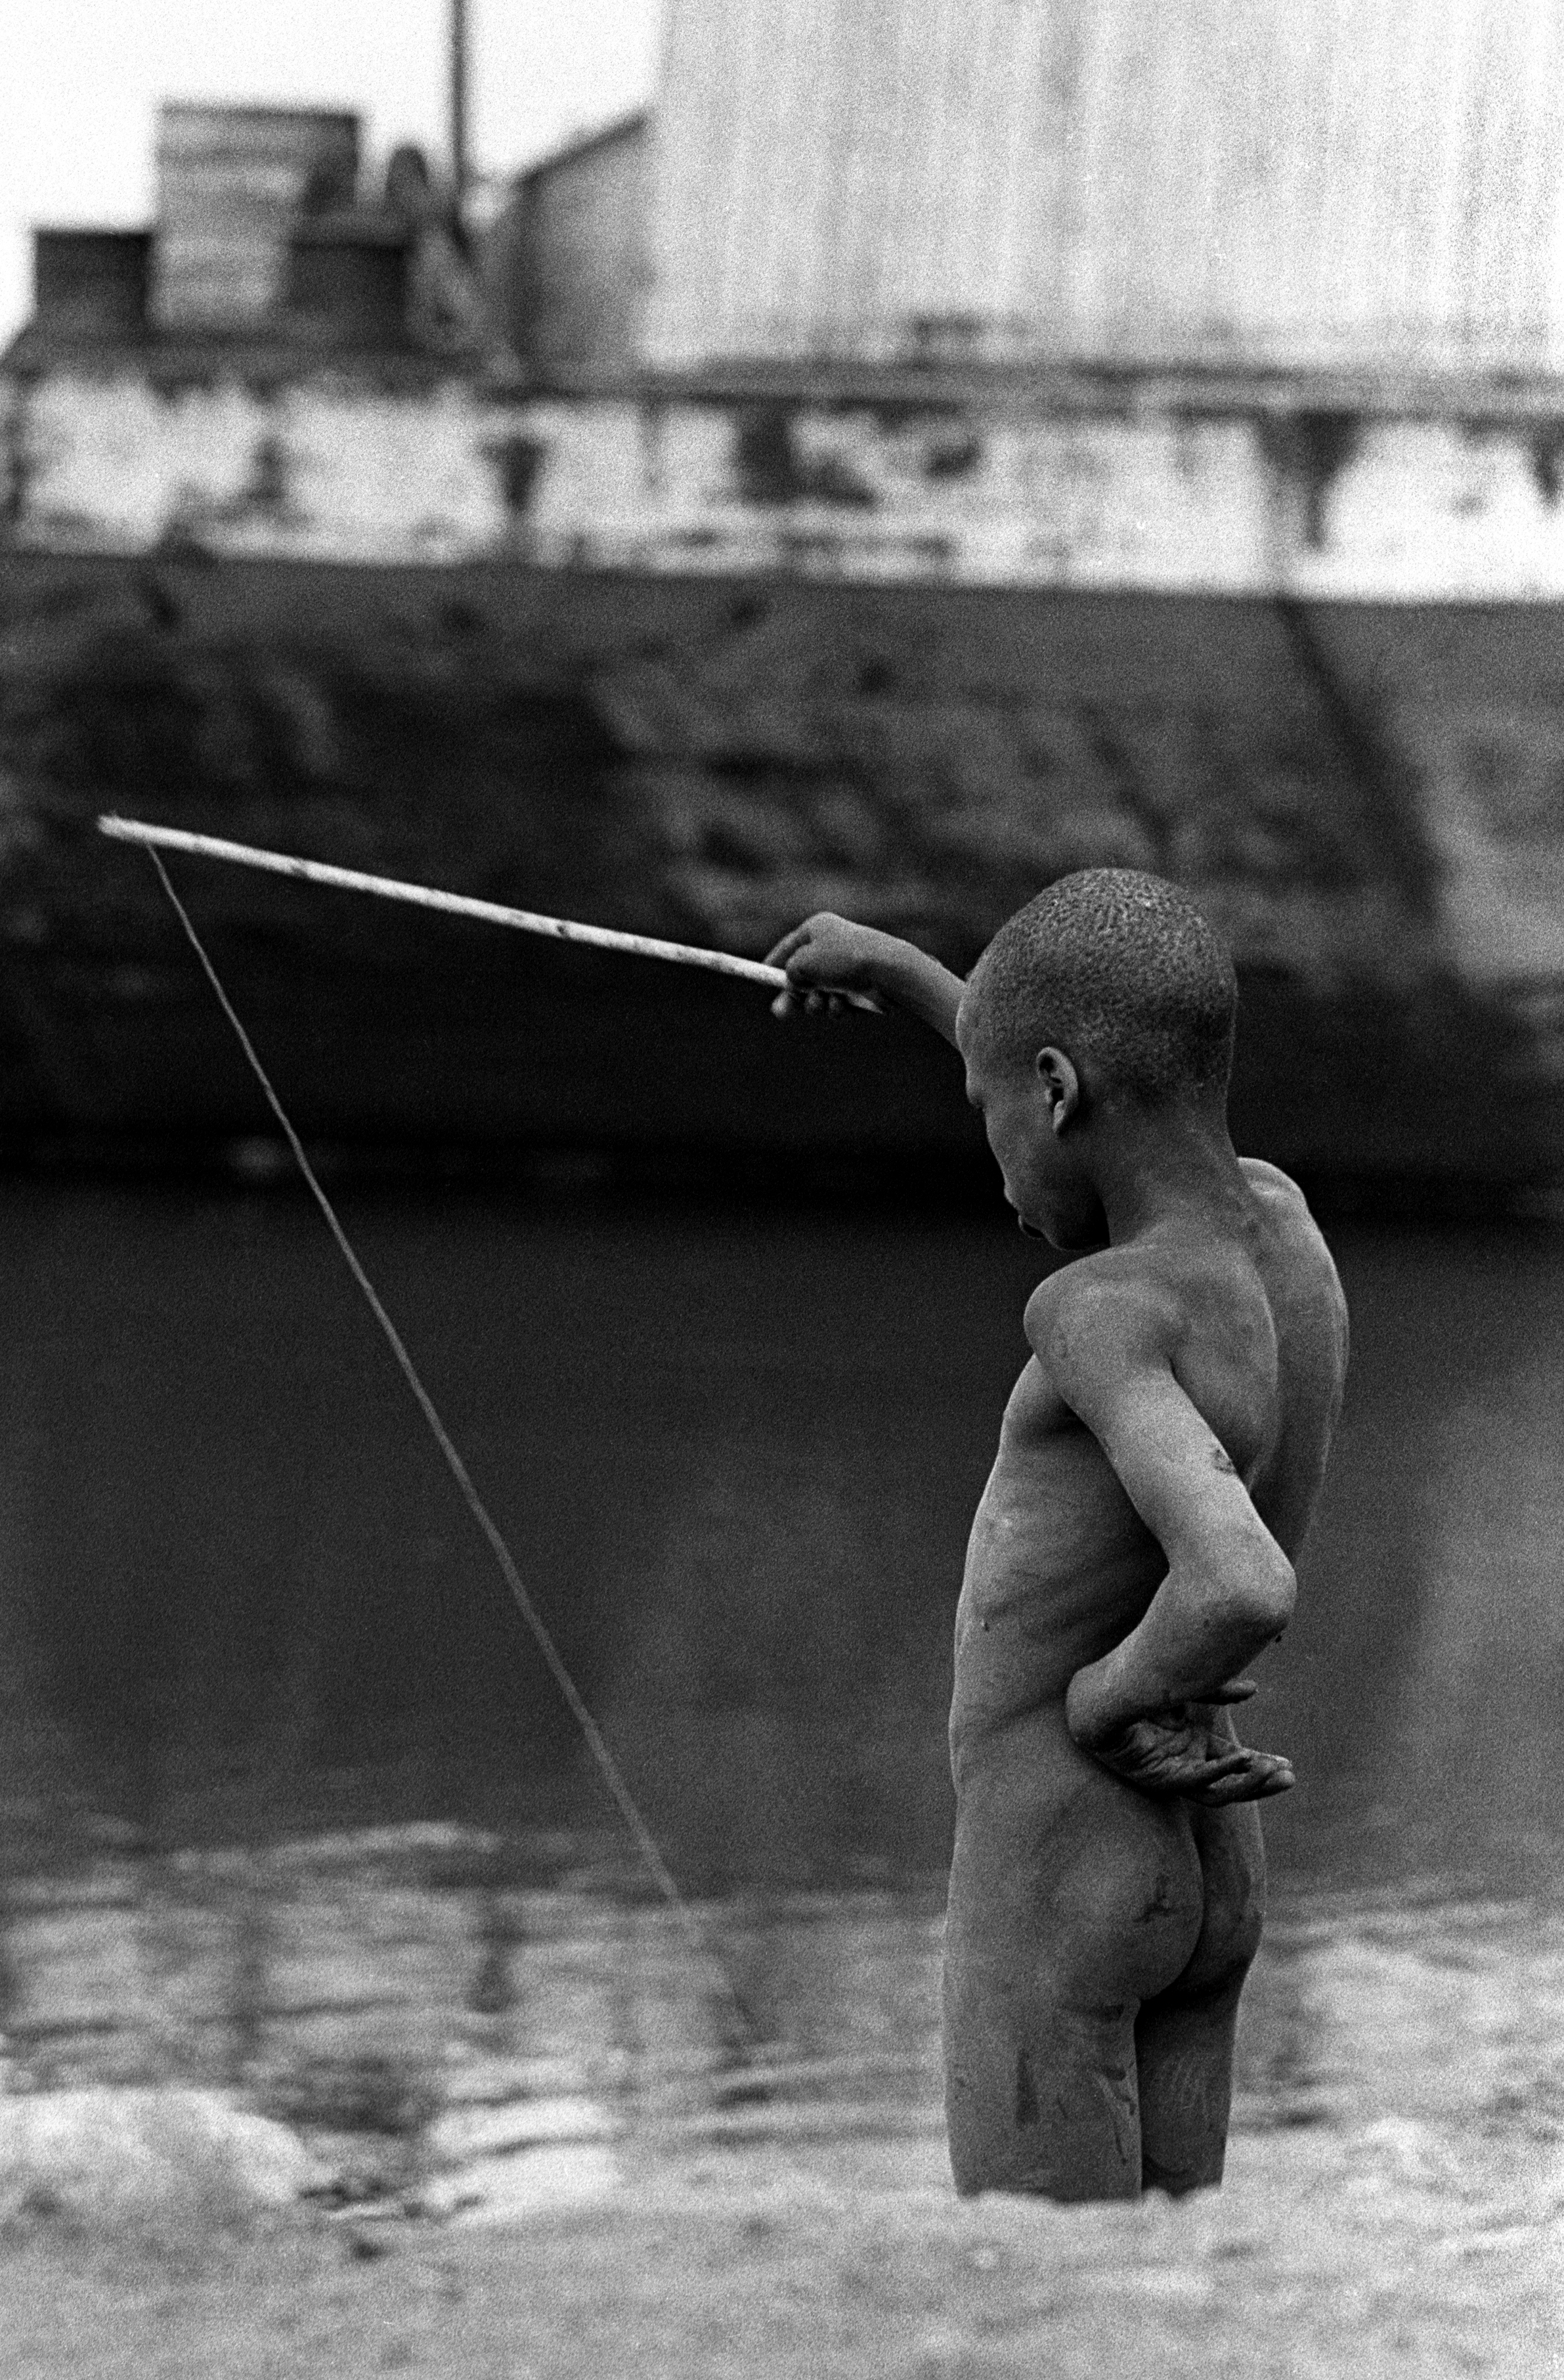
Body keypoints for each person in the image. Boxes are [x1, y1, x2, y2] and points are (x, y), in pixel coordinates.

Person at [765, 871, 1347, 2201]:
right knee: (1166, 2305)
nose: (996, 1164)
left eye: (989, 1119)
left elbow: (1240, 1578)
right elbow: (1089, 1066)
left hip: (1060, 1861)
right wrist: (911, 977)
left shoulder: (1099, 1310)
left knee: (1057, 2315)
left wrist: (1104, 1697)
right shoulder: (1286, 1244)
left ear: (1056, 1093)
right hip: (1206, 1862)